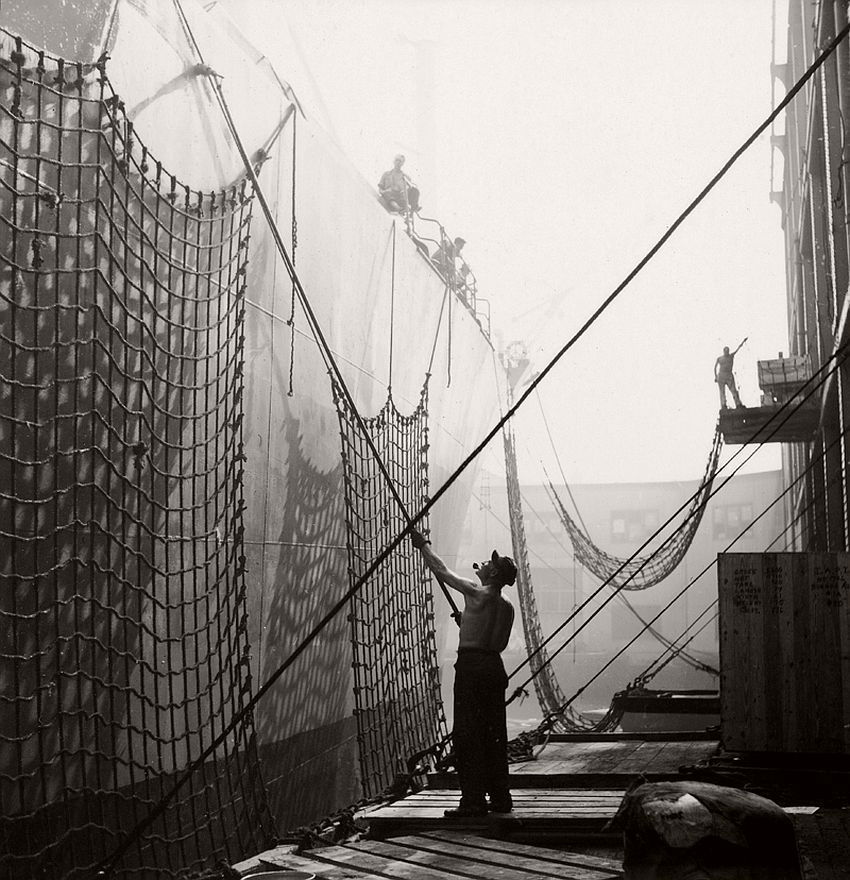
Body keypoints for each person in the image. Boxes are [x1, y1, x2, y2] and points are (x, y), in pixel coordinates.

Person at [410, 528, 516, 816]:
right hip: (494, 668)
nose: (482, 564)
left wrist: (423, 546)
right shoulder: (507, 607)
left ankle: (472, 802)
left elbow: (441, 571)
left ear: (493, 574)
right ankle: (500, 798)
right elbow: (497, 643)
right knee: (493, 734)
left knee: (468, 734)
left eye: (487, 563)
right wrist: (467, 624)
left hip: (470, 668)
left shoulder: (475, 592)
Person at [714, 338, 747, 409]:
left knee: (733, 390)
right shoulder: (719, 358)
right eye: (725, 351)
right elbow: (715, 367)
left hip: (728, 375)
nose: (726, 352)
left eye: (727, 351)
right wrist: (716, 376)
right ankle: (723, 405)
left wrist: (743, 342)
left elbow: (737, 349)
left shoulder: (731, 356)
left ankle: (738, 404)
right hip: (722, 376)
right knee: (722, 392)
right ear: (723, 351)